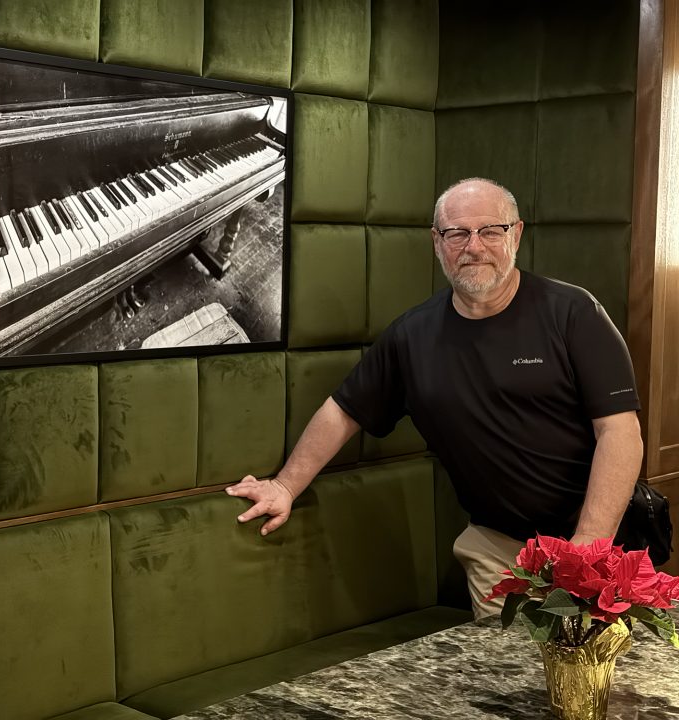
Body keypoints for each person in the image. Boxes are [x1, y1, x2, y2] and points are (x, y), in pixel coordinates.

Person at [226, 177, 644, 619]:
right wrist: (286, 485)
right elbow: (343, 410)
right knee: (510, 676)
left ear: (516, 234)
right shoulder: (412, 336)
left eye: (490, 231)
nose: (474, 246)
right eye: (457, 233)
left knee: (602, 679)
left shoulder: (573, 312)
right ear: (436, 242)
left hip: (598, 538)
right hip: (497, 546)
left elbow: (619, 431)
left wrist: (587, 543)